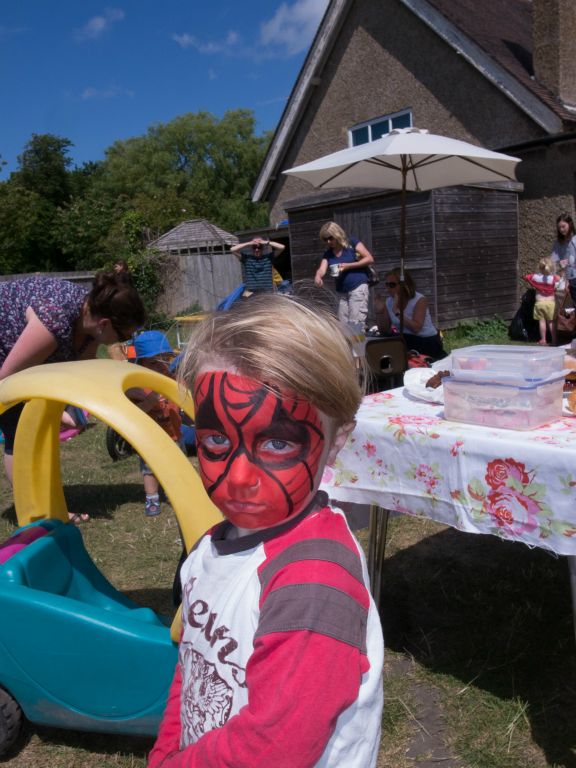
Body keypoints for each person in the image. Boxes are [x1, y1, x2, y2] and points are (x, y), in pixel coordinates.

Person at [148, 294, 384, 768]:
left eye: (277, 442)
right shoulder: (214, 545)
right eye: (216, 440)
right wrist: (165, 750)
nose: (237, 478)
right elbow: (194, 667)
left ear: (336, 441)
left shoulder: (313, 585)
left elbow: (273, 749)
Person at [0, 271, 146, 484]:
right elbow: (8, 381)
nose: (125, 341)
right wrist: (57, 412)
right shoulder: (55, 319)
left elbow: (81, 369)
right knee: (20, 433)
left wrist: (124, 386)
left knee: (41, 431)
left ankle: (48, 503)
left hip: (19, 360)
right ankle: (35, 513)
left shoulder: (91, 323)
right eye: (124, 336)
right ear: (104, 324)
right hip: (6, 360)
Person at [129, 331, 185, 517]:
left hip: (175, 432)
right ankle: (152, 497)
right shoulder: (137, 386)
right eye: (154, 363)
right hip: (151, 438)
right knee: (150, 468)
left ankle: (176, 494)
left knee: (178, 465)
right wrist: (150, 401)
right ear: (141, 364)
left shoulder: (173, 379)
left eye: (164, 361)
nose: (161, 367)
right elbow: (134, 414)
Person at [374, 268, 446, 359]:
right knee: (381, 341)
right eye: (387, 285)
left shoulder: (419, 300)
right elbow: (384, 330)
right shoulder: (389, 301)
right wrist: (380, 312)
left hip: (425, 340)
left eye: (392, 285)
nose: (388, 289)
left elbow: (416, 328)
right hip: (405, 339)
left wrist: (397, 312)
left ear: (404, 285)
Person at [314, 221, 374, 327]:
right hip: (342, 293)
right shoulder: (328, 253)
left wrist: (347, 266)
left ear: (337, 234)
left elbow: (369, 259)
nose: (328, 241)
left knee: (356, 326)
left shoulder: (352, 243)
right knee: (343, 327)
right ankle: (350, 343)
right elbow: (322, 269)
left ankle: (359, 344)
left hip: (358, 287)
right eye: (325, 239)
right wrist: (318, 276)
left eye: (330, 238)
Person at [523, 257, 560, 345]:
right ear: (551, 268)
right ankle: (554, 340)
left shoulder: (535, 277)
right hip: (551, 303)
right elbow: (559, 283)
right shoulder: (554, 278)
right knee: (551, 322)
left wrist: (536, 282)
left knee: (542, 322)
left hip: (539, 303)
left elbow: (526, 277)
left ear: (540, 267)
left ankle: (543, 340)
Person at [550, 213, 576, 306]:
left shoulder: (574, 240)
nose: (561, 229)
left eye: (563, 226)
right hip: (563, 277)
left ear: (570, 224)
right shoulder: (558, 243)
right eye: (559, 228)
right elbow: (553, 262)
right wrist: (560, 268)